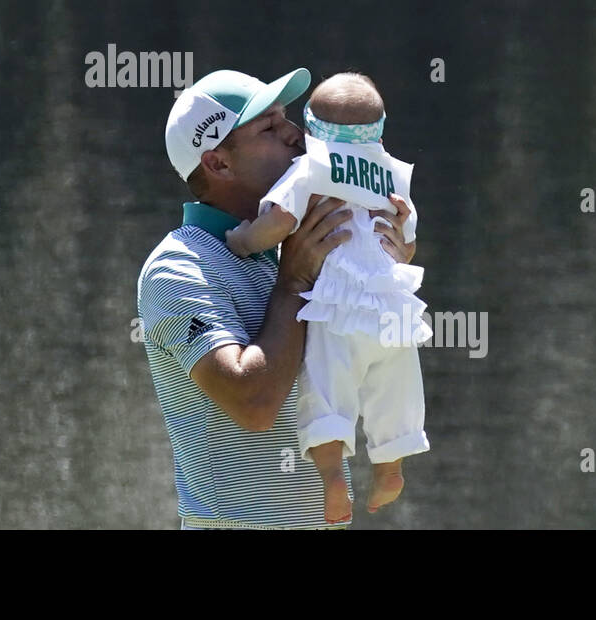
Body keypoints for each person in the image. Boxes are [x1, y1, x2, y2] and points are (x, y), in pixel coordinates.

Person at [137, 67, 417, 529]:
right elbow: (254, 403)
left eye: (287, 118)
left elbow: (369, 353)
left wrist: (387, 267)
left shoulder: (298, 244)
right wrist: (294, 282)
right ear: (218, 164)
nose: (296, 135)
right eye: (270, 128)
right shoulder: (179, 267)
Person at [224, 72, 430, 523]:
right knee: (393, 388)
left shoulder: (312, 168)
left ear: (313, 129)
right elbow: (406, 242)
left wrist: (242, 241)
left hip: (338, 307)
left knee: (326, 391)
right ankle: (391, 465)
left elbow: (279, 218)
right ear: (379, 130)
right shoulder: (392, 173)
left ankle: (334, 476)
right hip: (394, 306)